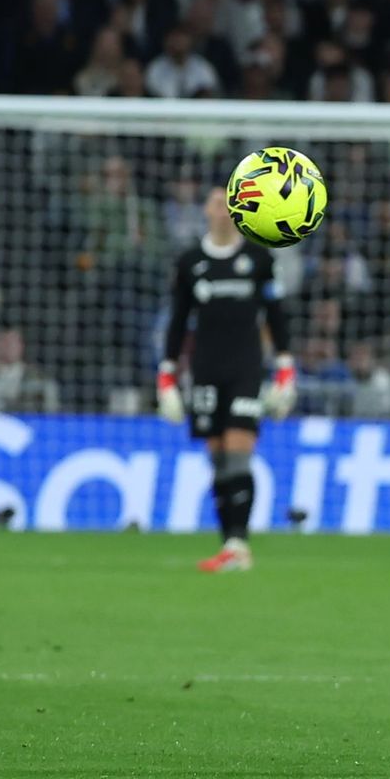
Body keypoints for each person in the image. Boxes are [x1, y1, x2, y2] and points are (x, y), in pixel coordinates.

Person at [158, 189, 294, 572]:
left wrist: (285, 369)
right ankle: (229, 544)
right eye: (218, 203)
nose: (223, 211)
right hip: (205, 369)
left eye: (230, 205)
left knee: (238, 450)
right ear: (205, 210)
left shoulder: (258, 259)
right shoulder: (190, 262)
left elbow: (276, 315)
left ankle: (239, 544)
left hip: (246, 369)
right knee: (217, 458)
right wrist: (167, 375)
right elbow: (178, 321)